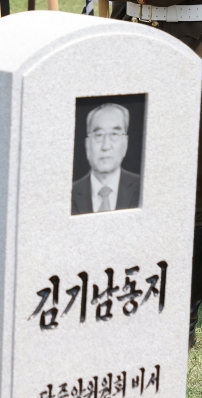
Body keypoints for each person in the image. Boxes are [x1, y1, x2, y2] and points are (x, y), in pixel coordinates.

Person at [117, 0, 202, 347]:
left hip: (192, 32)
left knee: (190, 179)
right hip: (130, 26)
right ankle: (130, 294)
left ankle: (184, 308)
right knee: (127, 169)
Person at [71, 103, 140, 215]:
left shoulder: (143, 187)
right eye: (99, 135)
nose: (106, 146)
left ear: (125, 143)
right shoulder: (69, 192)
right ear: (87, 144)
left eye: (114, 134)